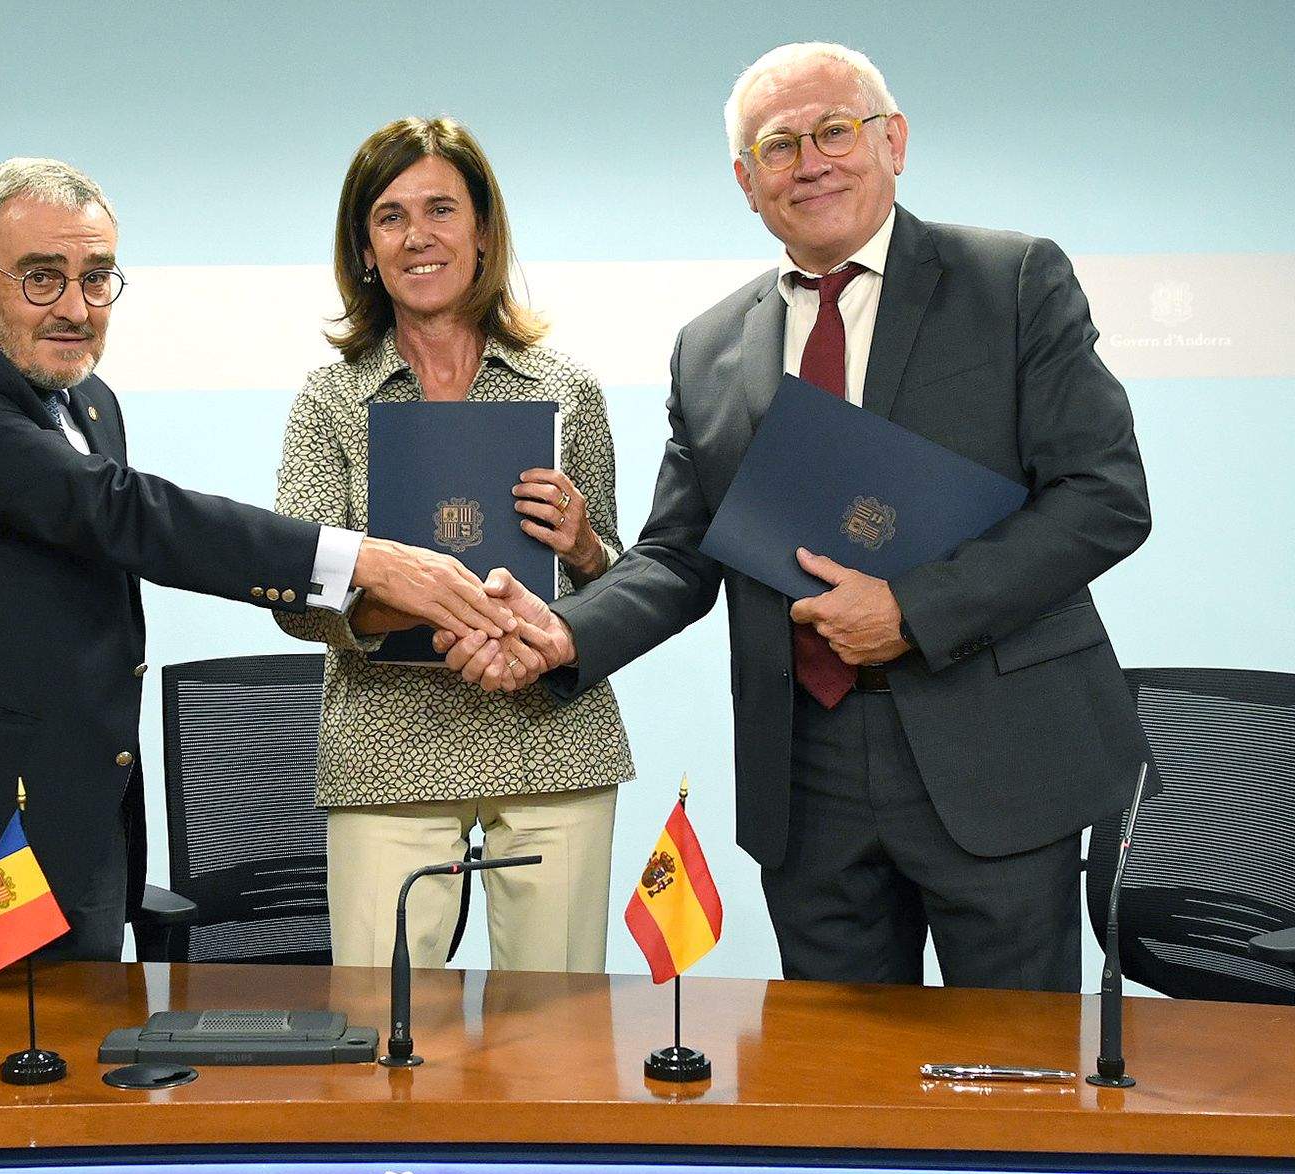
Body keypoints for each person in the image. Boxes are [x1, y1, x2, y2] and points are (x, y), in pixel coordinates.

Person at [446, 43, 1151, 992]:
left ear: (893, 141)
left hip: (995, 757)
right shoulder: (710, 347)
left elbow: (1104, 497)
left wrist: (910, 610)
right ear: (747, 181)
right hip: (805, 774)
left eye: (836, 131)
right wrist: (560, 632)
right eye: (779, 146)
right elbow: (683, 552)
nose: (811, 162)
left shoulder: (1012, 282)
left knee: (1014, 1088)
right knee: (839, 1094)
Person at [0, 157, 514, 965]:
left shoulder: (85, 399)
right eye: (41, 278)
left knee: (73, 1072)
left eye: (96, 279)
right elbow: (117, 511)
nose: (74, 308)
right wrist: (361, 560)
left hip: (63, 829)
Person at [273, 117, 634, 972]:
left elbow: (618, 580)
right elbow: (297, 592)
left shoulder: (567, 387)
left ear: (482, 233)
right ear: (365, 249)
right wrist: (447, 608)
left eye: (442, 208)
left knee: (555, 1036)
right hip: (386, 750)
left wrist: (584, 547)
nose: (418, 235)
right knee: (381, 1030)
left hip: (552, 737)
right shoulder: (328, 401)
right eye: (390, 217)